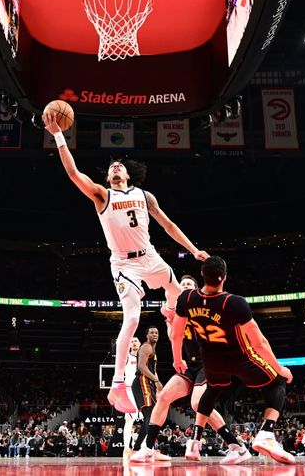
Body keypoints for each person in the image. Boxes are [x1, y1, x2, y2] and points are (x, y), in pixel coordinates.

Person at [43, 112, 208, 413]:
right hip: (123, 265)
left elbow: (169, 226)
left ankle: (172, 318)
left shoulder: (145, 196)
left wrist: (193, 249)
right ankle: (118, 384)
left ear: (128, 175)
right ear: (107, 177)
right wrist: (57, 134)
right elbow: (73, 173)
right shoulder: (101, 195)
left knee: (179, 297)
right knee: (131, 319)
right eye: (111, 167)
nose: (115, 167)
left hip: (150, 256)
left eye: (119, 166)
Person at [170, 257, 294, 465]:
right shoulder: (234, 302)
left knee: (212, 391)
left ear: (202, 274)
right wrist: (279, 367)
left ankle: (194, 441)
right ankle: (266, 434)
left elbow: (176, 334)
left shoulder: (186, 298)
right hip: (238, 357)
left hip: (211, 359)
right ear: (224, 278)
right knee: (278, 381)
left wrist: (176, 359)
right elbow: (259, 342)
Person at [130, 275, 237, 464]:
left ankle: (235, 445)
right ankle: (147, 449)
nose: (185, 286)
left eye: (189, 284)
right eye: (182, 284)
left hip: (209, 362)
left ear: (196, 290)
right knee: (163, 398)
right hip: (191, 365)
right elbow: (173, 338)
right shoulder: (178, 311)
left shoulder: (202, 307)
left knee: (198, 404)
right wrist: (170, 320)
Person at [131, 327, 169, 459]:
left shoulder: (152, 349)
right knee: (152, 414)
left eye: (157, 332)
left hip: (148, 383)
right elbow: (141, 366)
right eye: (152, 332)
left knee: (150, 416)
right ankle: (149, 449)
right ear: (147, 335)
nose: (154, 334)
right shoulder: (146, 347)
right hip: (142, 382)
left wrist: (158, 384)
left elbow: (152, 370)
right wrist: (156, 380)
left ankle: (138, 449)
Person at [123, 336, 141, 457]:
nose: (134, 343)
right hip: (129, 391)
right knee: (129, 420)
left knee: (148, 420)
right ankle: (126, 447)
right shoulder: (126, 357)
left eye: (136, 341)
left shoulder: (145, 356)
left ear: (140, 344)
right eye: (132, 341)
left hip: (143, 391)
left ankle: (144, 447)